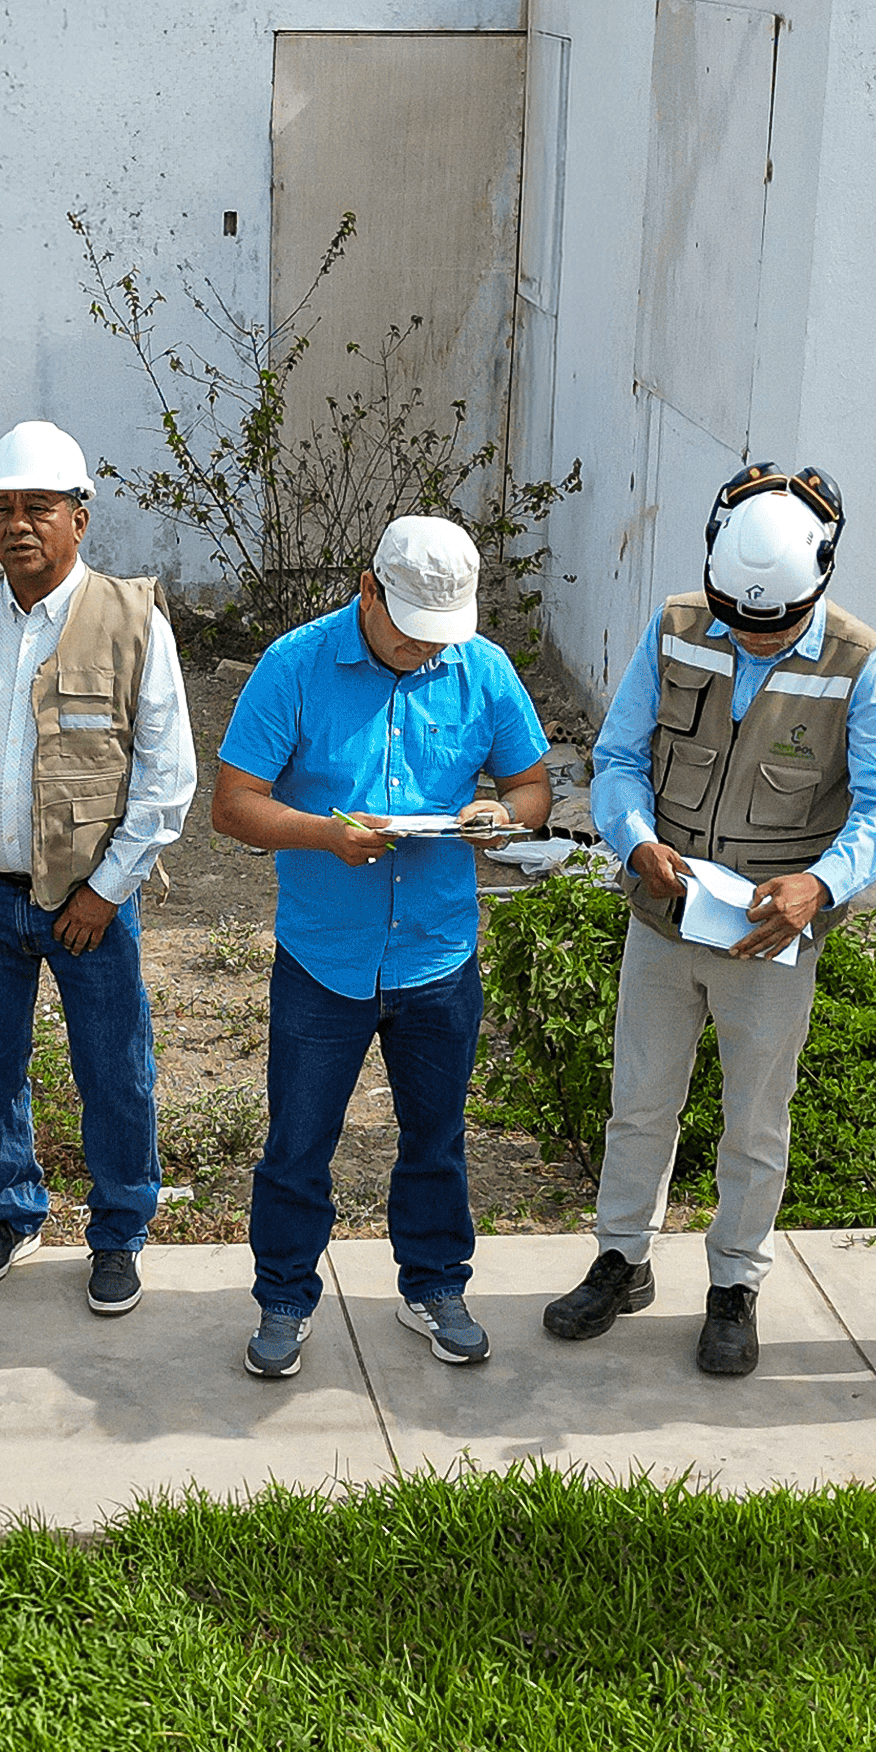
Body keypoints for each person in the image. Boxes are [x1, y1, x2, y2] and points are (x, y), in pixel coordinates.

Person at [544, 465, 876, 1378]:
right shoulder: (674, 627)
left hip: (770, 936)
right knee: (640, 1102)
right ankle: (622, 1261)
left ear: (819, 581)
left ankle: (734, 1285)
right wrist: (633, 841)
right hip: (665, 918)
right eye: (737, 619)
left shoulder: (863, 663)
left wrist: (818, 888)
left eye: (774, 623)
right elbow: (621, 755)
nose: (751, 637)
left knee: (754, 1119)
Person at [210, 515, 556, 1378]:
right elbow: (232, 803)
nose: (422, 652)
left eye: (437, 638)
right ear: (368, 592)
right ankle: (284, 1300)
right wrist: (324, 836)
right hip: (324, 959)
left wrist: (500, 818)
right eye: (408, 634)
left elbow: (532, 786)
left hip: (438, 956)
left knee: (435, 1137)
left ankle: (435, 1285)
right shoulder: (295, 664)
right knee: (298, 1140)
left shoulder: (481, 667)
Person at [0, 419, 195, 1317]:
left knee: (115, 1070)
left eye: (38, 508)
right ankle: (11, 1211)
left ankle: (117, 1235)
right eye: (3, 508)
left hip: (86, 905)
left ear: (79, 517)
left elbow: (167, 773)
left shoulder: (131, 619)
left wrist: (107, 893)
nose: (18, 524)